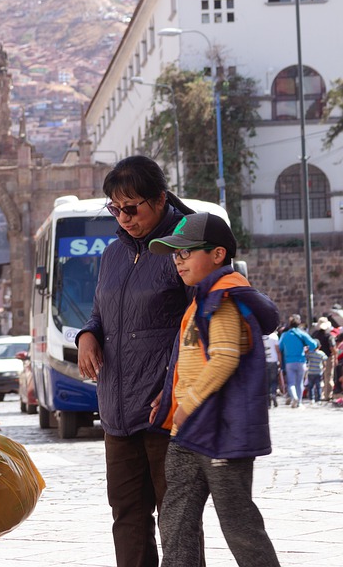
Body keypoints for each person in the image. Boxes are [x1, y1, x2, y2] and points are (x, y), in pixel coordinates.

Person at [75, 155, 195, 567]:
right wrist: (87, 335)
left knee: (176, 519)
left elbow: (200, 326)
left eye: (132, 207)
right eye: (115, 208)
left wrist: (174, 391)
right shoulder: (112, 256)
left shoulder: (184, 250)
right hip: (116, 410)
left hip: (166, 409)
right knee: (126, 516)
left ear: (160, 199)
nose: (123, 217)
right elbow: (100, 315)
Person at [148, 212, 281, 567]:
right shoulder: (199, 299)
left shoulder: (221, 299)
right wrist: (173, 403)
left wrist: (188, 403)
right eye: (175, 255)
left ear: (218, 254)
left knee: (239, 525)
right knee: (175, 523)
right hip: (188, 432)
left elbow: (223, 359)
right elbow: (188, 361)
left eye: (186, 252)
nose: (178, 261)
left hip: (221, 433)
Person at [278, 314, 318, 409]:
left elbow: (280, 348)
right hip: (301, 361)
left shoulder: (285, 335)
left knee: (291, 383)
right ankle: (299, 402)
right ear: (299, 323)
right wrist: (307, 349)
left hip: (289, 362)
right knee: (300, 382)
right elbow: (314, 344)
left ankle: (294, 397)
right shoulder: (302, 333)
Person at [311, 315, 336, 402]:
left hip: (316, 357)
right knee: (328, 376)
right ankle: (327, 395)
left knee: (318, 376)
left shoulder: (314, 334)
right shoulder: (329, 336)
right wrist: (335, 356)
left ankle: (318, 394)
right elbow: (332, 348)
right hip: (328, 357)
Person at [262, 331, 281, 409]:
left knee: (266, 381)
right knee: (273, 380)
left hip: (264, 360)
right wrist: (280, 360)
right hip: (273, 360)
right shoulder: (274, 336)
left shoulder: (261, 336)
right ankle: (273, 393)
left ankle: (268, 401)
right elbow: (277, 350)